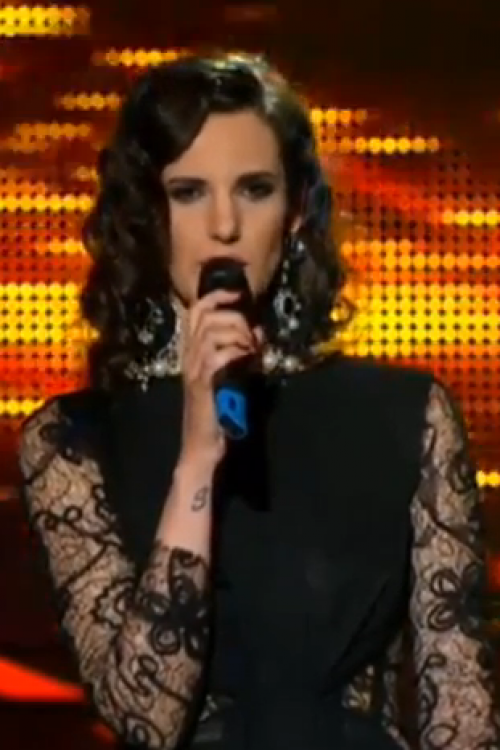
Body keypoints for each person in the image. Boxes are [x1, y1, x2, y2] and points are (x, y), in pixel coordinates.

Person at [18, 53, 499, 750]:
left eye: (254, 189)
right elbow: (146, 721)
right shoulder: (74, 441)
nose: (224, 225)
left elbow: (460, 702)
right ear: (149, 215)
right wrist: (196, 459)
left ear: (296, 210)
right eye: (188, 192)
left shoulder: (407, 415)